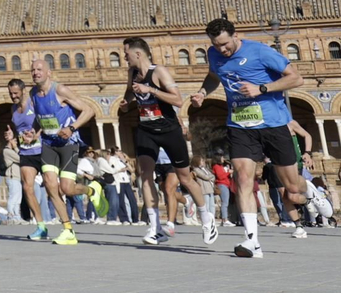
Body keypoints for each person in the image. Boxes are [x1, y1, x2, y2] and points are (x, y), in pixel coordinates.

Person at [189, 18, 309, 258]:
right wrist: (203, 92)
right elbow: (214, 76)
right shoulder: (213, 54)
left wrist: (262, 88)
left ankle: (312, 193)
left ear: (236, 35)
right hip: (240, 124)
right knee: (243, 178)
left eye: (224, 44)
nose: (221, 49)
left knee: (293, 189)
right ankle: (252, 240)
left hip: (273, 123)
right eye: (216, 44)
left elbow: (296, 78)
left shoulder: (260, 51)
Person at [118, 36, 218, 247]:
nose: (124, 57)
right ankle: (154, 228)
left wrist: (151, 90)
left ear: (138, 53)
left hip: (168, 129)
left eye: (126, 53)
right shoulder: (132, 73)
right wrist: (127, 102)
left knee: (185, 178)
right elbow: (129, 93)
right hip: (146, 129)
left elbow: (178, 100)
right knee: (145, 175)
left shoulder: (159, 72)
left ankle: (207, 219)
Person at [22, 56, 96, 245]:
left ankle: (91, 190)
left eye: (39, 69)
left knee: (67, 188)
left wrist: (71, 128)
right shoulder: (32, 93)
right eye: (33, 70)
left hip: (68, 143)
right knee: (50, 184)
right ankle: (68, 230)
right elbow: (42, 118)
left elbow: (88, 110)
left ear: (48, 73)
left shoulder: (60, 90)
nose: (35, 73)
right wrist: (35, 133)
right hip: (48, 144)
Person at [6, 79, 50, 235]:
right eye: (11, 93)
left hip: (42, 149)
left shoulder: (33, 103)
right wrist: (12, 135)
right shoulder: (13, 108)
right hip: (25, 151)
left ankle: (91, 191)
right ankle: (41, 226)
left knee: (56, 188)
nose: (13, 96)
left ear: (23, 90)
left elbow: (46, 121)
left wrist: (35, 135)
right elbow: (18, 129)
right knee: (27, 187)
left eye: (16, 93)